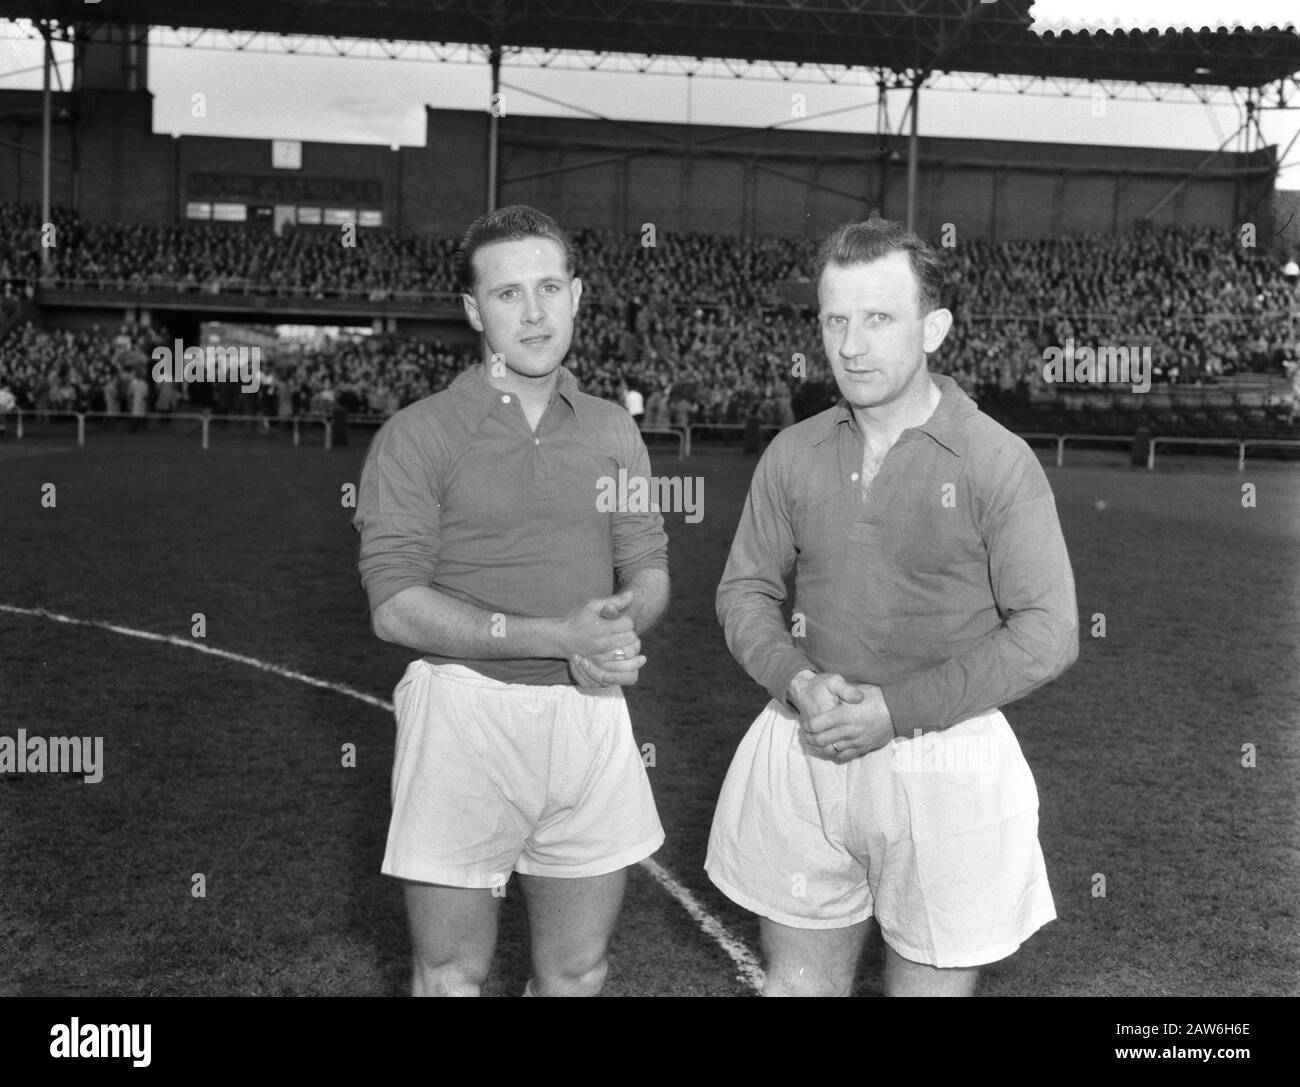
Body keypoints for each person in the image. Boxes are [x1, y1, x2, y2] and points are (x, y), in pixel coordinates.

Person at [706, 216, 1079, 997]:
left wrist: (897, 708)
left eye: (878, 318)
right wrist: (796, 680)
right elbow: (744, 591)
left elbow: (1048, 633)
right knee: (798, 987)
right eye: (836, 319)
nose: (851, 344)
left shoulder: (996, 459)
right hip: (804, 740)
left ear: (934, 327)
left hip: (947, 760)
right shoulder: (794, 451)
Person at [352, 204, 669, 998]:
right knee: (453, 971)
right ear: (473, 310)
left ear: (577, 295)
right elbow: (395, 605)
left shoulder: (612, 430)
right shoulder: (418, 433)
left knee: (576, 969)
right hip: (463, 715)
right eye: (507, 294)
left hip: (589, 714)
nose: (533, 312)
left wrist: (613, 630)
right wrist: (557, 632)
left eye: (549, 287)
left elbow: (650, 568)